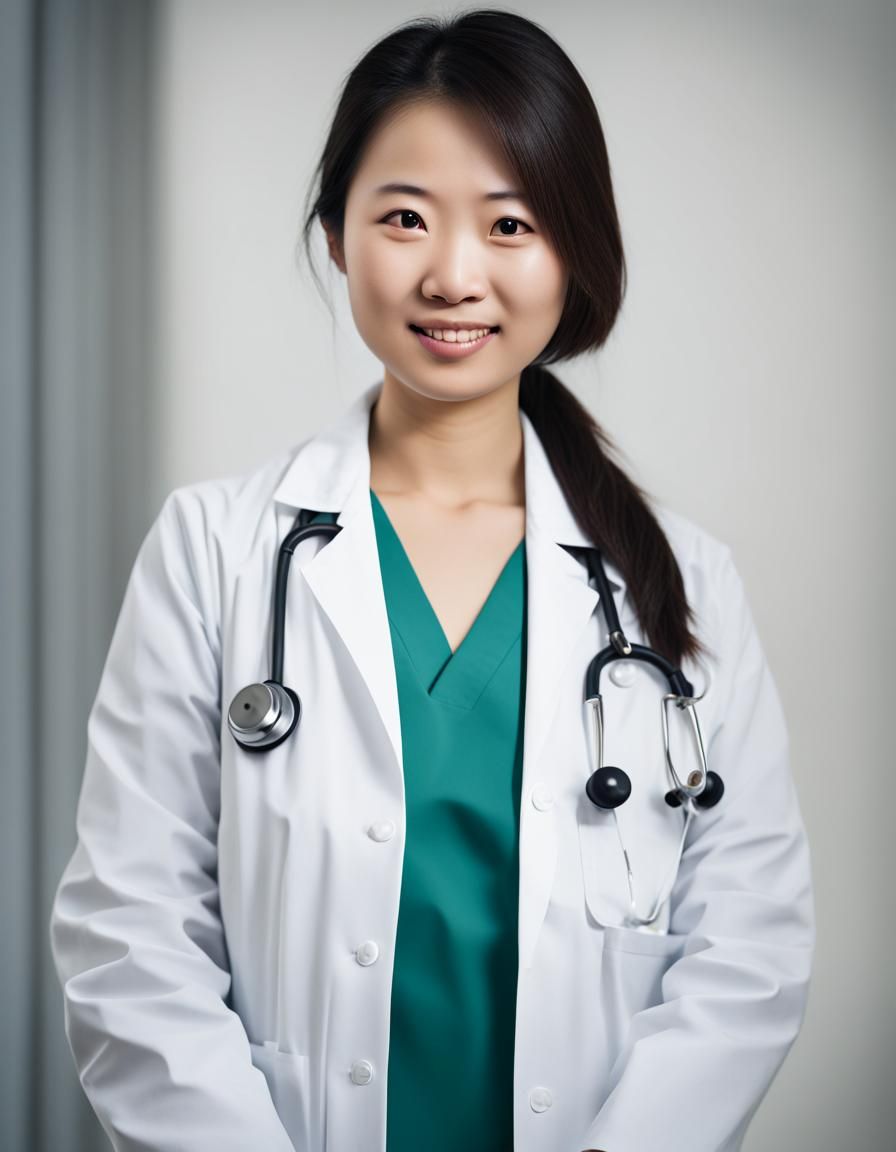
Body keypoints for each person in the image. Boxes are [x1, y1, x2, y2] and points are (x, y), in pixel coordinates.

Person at [49, 9, 814, 1152]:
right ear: (336, 237)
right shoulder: (215, 549)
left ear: (571, 249)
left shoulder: (680, 584)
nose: (453, 274)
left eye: (509, 223)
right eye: (404, 217)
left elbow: (744, 946)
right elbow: (129, 932)